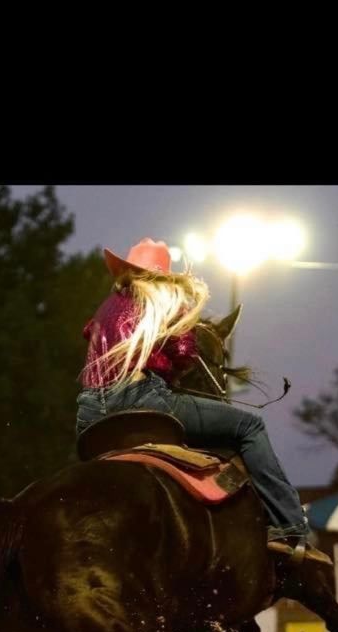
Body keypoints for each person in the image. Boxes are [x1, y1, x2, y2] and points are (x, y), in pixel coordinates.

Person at [76, 236, 313, 551]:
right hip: (141, 398)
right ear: (161, 275)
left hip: (90, 413)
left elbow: (88, 333)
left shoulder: (105, 307)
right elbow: (186, 351)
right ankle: (290, 524)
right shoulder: (167, 299)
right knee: (250, 427)